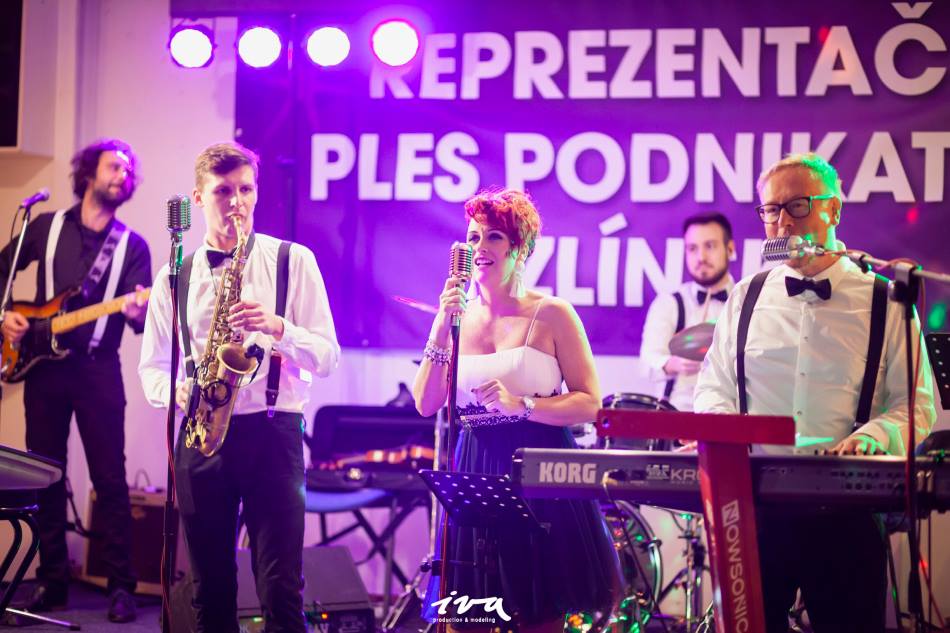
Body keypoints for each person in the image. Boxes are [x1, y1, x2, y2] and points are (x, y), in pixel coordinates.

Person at [693, 153, 937, 633]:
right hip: (754, 505)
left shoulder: (886, 300)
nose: (783, 222)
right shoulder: (745, 297)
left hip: (848, 509)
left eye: (797, 205)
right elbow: (713, 389)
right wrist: (725, 435)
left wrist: (875, 436)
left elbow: (915, 405)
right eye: (771, 210)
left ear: (834, 210)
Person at [138, 141, 340, 632]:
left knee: (280, 588)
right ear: (198, 197)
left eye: (246, 190)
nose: (237, 203)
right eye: (223, 191)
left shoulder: (294, 260)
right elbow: (152, 370)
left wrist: (279, 328)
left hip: (273, 433)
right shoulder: (174, 275)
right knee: (209, 588)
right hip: (202, 436)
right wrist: (178, 392)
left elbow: (328, 357)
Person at [413, 188, 622, 633]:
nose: (480, 247)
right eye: (473, 237)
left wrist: (522, 405)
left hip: (538, 464)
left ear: (520, 248)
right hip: (476, 461)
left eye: (494, 237)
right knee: (469, 612)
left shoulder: (553, 314)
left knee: (538, 611)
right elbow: (426, 402)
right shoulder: (456, 317)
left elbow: (590, 402)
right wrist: (442, 323)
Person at [0, 138, 151, 622]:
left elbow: (140, 319)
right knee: (46, 473)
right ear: (89, 173)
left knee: (110, 478)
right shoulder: (46, 226)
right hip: (43, 369)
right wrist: (5, 315)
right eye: (114, 166)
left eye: (128, 171)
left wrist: (139, 310)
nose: (122, 175)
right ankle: (51, 581)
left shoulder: (133, 246)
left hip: (98, 370)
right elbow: (2, 269)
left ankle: (121, 586)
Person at [639, 212, 735, 411]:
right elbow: (646, 361)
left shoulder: (746, 301)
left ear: (730, 249)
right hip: (678, 413)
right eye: (692, 249)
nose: (701, 257)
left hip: (731, 414)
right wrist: (672, 364)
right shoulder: (669, 303)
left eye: (710, 246)